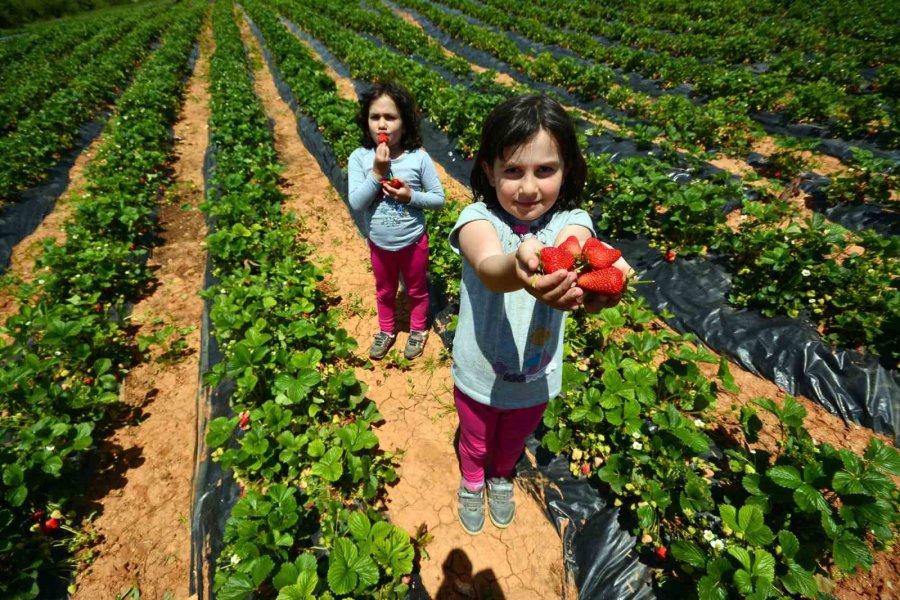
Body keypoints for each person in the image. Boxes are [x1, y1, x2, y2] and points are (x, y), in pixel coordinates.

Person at [448, 95, 630, 534]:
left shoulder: (571, 222)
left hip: (537, 374)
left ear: (565, 169)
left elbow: (581, 246)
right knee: (474, 437)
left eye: (544, 170)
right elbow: (491, 269)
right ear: (489, 170)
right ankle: (473, 479)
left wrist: (610, 278)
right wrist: (520, 265)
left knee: (513, 438)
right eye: (513, 171)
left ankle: (500, 475)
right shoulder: (477, 220)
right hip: (478, 371)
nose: (529, 187)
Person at [348, 82, 445, 361]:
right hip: (379, 243)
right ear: (365, 120)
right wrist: (377, 173)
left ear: (405, 123)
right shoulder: (360, 158)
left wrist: (410, 196)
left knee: (416, 289)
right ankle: (386, 330)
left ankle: (417, 330)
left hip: (413, 241)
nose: (382, 124)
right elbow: (357, 203)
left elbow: (438, 199)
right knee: (385, 290)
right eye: (374, 117)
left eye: (390, 117)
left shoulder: (419, 159)